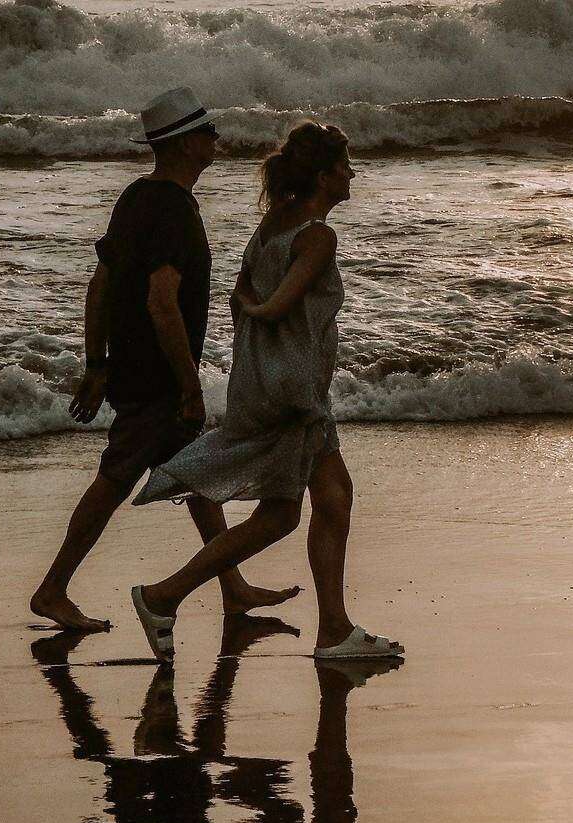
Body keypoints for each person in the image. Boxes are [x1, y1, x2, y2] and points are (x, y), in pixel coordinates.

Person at [128, 121, 403, 663]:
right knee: (282, 515)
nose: (353, 174)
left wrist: (251, 309)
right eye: (345, 165)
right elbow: (276, 304)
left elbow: (241, 293)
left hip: (264, 380)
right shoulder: (319, 236)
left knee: (333, 498)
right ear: (324, 176)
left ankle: (334, 628)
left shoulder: (271, 224)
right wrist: (261, 310)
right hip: (293, 388)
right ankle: (163, 595)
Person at [30, 87, 299, 633]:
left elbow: (100, 284)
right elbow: (161, 302)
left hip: (131, 367)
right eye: (207, 133)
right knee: (113, 480)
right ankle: (52, 589)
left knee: (198, 475)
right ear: (183, 145)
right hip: (156, 378)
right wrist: (188, 385)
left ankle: (234, 586)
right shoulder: (173, 210)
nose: (215, 141)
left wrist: (98, 363)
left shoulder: (136, 197)